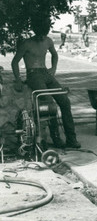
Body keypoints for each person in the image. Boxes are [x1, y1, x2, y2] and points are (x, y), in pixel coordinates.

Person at [11, 17, 81, 149]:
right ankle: (56, 139)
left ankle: (72, 139)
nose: (41, 37)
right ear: (35, 30)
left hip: (45, 73)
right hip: (33, 75)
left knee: (65, 102)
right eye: (39, 34)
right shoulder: (26, 43)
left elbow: (55, 54)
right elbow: (15, 62)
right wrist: (18, 80)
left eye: (44, 34)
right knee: (50, 105)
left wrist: (53, 68)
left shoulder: (48, 41)